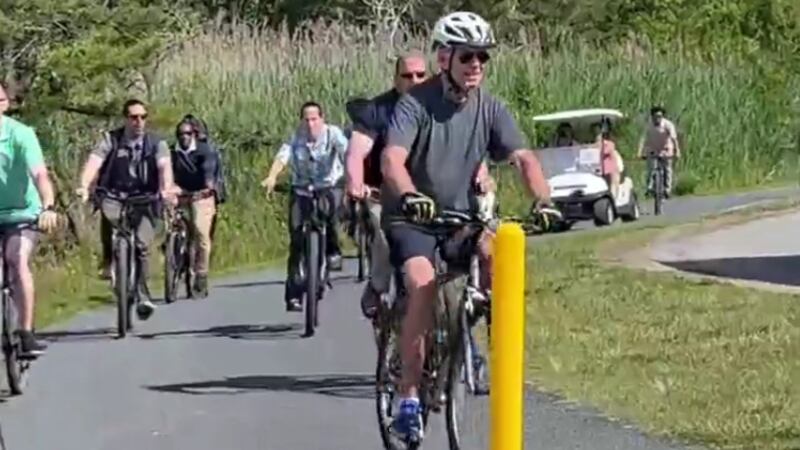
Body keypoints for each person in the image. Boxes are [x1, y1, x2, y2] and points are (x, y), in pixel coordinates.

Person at [380, 11, 553, 440]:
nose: (477, 64)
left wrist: (545, 201)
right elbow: (391, 160)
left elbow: (523, 158)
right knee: (422, 282)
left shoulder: (490, 107)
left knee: (495, 252)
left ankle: (483, 339)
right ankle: (407, 397)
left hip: (460, 217)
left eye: (483, 57)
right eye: (468, 57)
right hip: (412, 216)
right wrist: (409, 194)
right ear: (445, 59)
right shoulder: (414, 103)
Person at [345, 50, 429, 321]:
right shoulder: (377, 110)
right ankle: (378, 285)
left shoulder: (440, 108)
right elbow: (357, 152)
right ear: (396, 78)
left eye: (420, 74)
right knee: (384, 235)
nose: (414, 80)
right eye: (407, 75)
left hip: (429, 194)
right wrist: (356, 182)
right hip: (382, 194)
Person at [76, 98, 177, 320]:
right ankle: (110, 260)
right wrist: (84, 186)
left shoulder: (156, 144)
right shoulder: (111, 139)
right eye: (133, 117)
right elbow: (94, 162)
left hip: (145, 198)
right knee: (109, 217)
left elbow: (164, 168)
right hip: (115, 195)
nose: (138, 122)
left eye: (143, 117)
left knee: (142, 245)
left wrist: (166, 189)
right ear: (125, 119)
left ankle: (142, 293)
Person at [261, 101, 348, 312]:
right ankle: (293, 295)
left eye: (314, 119)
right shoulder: (296, 137)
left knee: (333, 210)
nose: (310, 124)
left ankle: (333, 250)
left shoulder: (333, 134)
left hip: (328, 186)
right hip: (301, 190)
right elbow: (283, 157)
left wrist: (354, 178)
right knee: (297, 242)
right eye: (306, 119)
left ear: (322, 118)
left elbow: (347, 154)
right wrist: (272, 177)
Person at [0, 82, 59, 358]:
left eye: (0, 99)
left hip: (23, 213)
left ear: (7, 103)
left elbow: (40, 174)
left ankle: (25, 332)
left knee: (16, 259)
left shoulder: (20, 134)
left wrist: (48, 206)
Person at [169, 116, 220, 297]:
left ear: (194, 135)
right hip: (182, 192)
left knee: (200, 231)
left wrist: (208, 185)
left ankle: (201, 273)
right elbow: (166, 172)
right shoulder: (171, 153)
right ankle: (173, 257)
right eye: (180, 134)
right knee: (168, 223)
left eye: (188, 134)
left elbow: (209, 172)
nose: (184, 137)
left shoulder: (205, 151)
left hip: (202, 194)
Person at [637, 105, 680, 197]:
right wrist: (640, 152)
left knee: (667, 169)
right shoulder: (649, 126)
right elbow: (643, 139)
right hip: (653, 149)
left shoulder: (668, 125)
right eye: (655, 117)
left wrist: (677, 151)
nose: (657, 119)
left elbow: (674, 139)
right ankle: (649, 187)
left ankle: (667, 189)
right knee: (650, 168)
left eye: (660, 116)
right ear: (652, 117)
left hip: (666, 148)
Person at [592, 119, 622, 202]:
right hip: (596, 167)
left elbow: (608, 151)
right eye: (595, 131)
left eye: (598, 131)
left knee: (612, 175)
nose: (596, 134)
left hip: (609, 166)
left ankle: (613, 198)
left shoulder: (608, 143)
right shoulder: (591, 144)